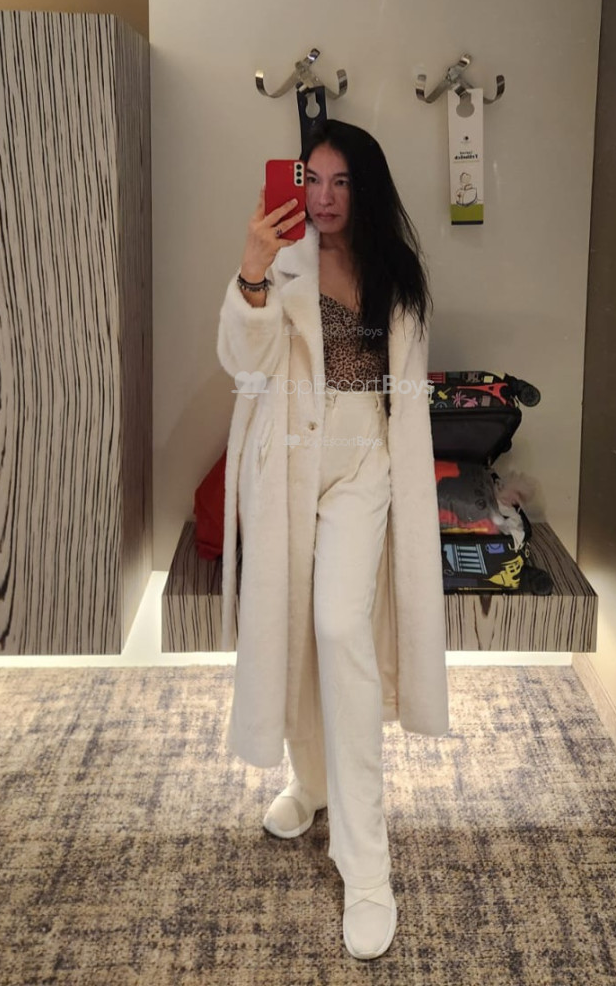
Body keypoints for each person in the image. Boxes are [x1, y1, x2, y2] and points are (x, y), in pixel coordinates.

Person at [215, 119, 449, 960]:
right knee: (296, 631)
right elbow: (241, 364)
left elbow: (402, 393)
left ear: (366, 188)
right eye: (311, 179)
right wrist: (250, 274)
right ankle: (309, 782)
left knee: (342, 628)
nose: (322, 197)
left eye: (341, 181)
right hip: (287, 462)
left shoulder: (398, 274)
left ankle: (366, 864)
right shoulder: (279, 260)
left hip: (360, 463)